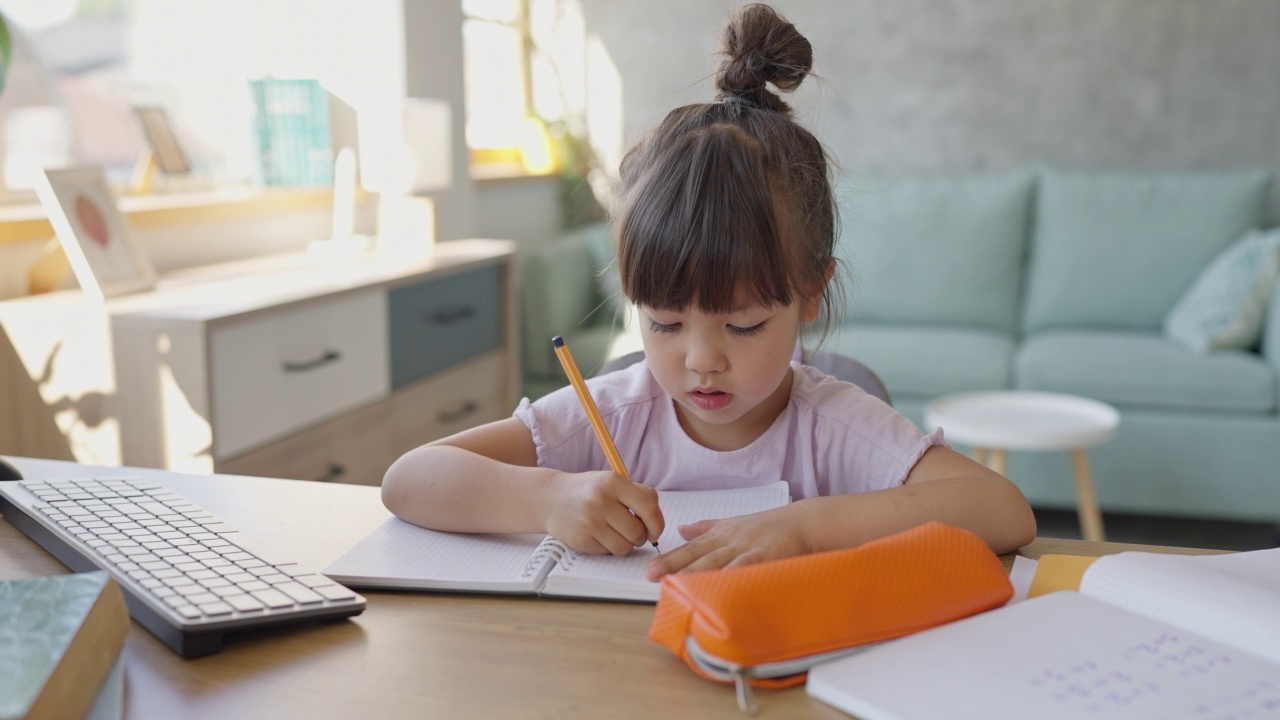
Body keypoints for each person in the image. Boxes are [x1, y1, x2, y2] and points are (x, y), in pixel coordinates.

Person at [382, 3, 1036, 580]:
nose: (700, 360)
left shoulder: (831, 425)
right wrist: (546, 498)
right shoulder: (617, 412)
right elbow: (409, 478)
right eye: (665, 323)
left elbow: (1003, 510)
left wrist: (804, 529)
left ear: (811, 295)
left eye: (743, 326)